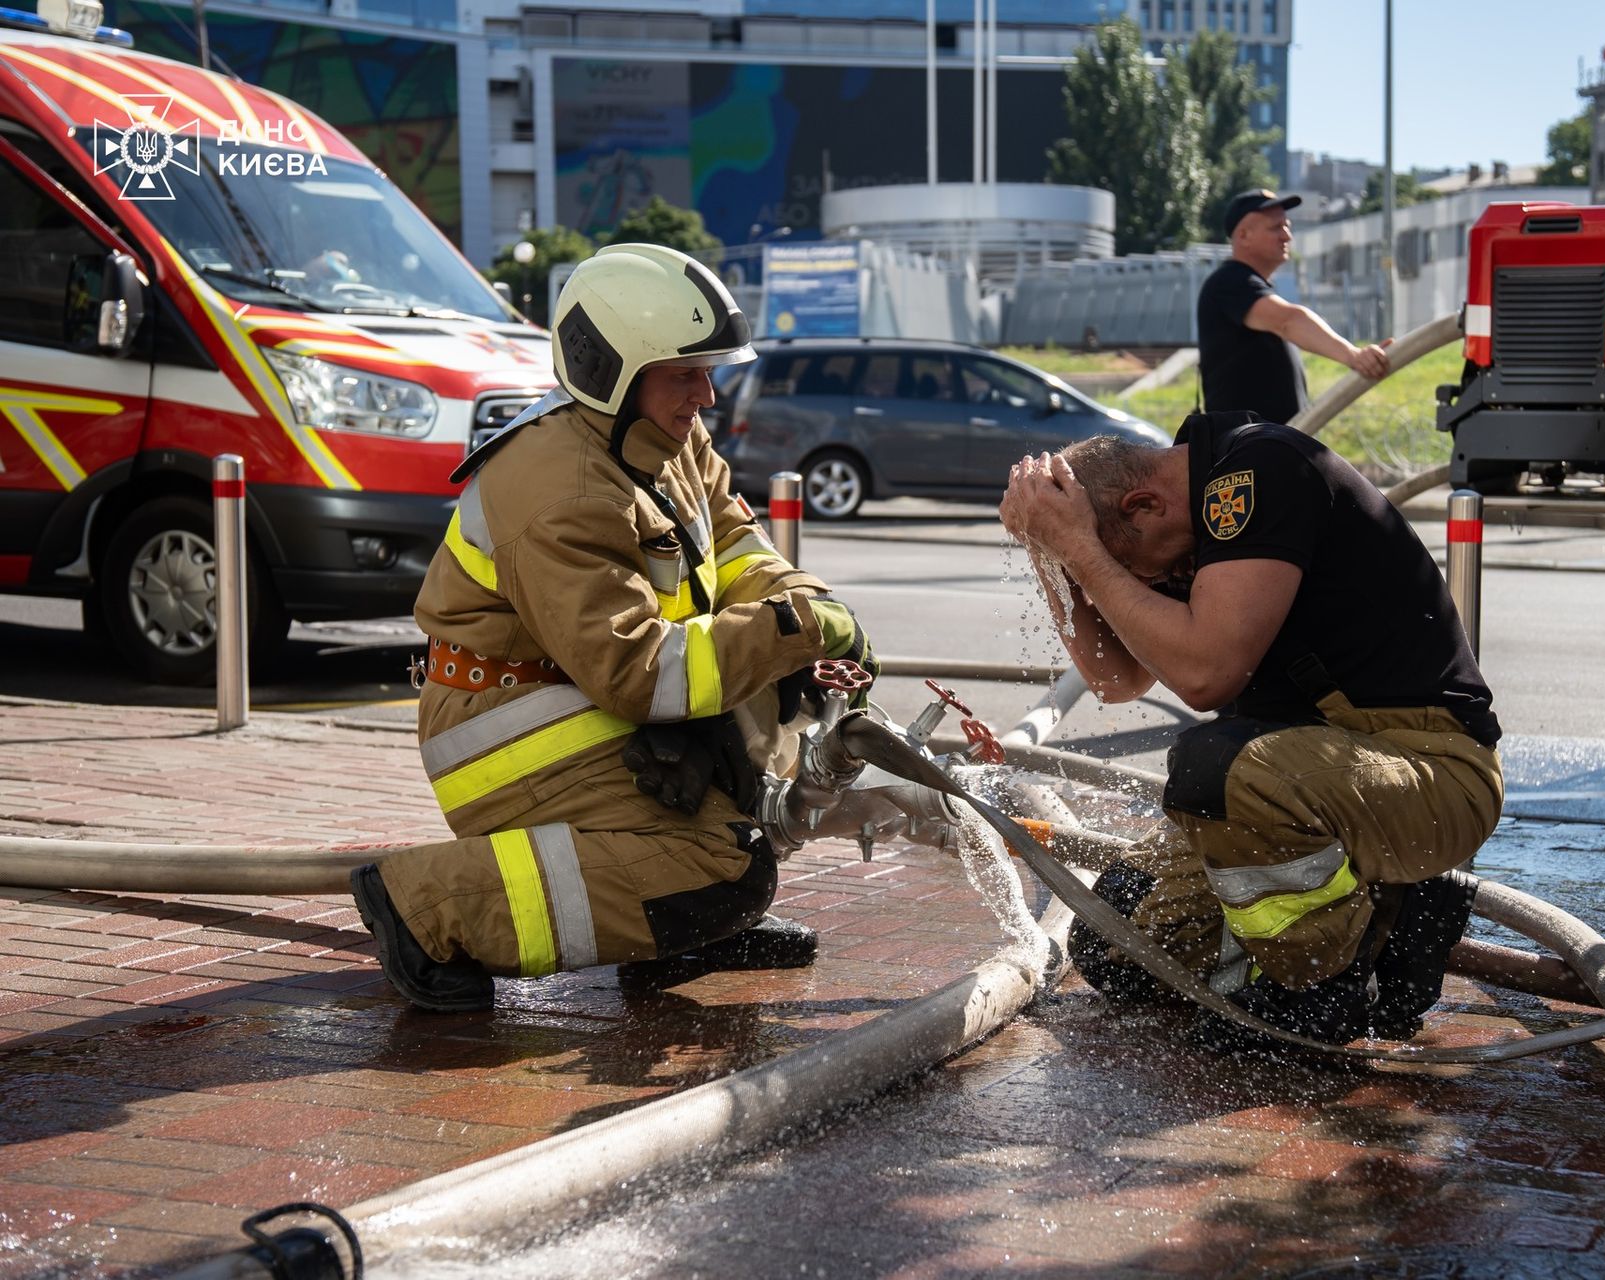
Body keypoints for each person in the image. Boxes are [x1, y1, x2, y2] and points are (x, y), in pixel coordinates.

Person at [350, 243, 877, 1013]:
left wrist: (800, 618)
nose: (707, 392)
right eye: (685, 372)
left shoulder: (664, 436)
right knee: (723, 870)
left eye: (708, 369)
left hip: (572, 695)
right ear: (613, 371)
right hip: (505, 729)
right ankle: (429, 908)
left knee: (746, 779)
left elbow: (734, 545)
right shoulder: (558, 488)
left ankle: (678, 925)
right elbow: (641, 673)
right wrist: (794, 632)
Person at [998, 411, 1503, 1047]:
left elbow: (1206, 675)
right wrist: (1048, 548)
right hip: (1316, 773)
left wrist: (1081, 549)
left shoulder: (1258, 473)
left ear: (1145, 504)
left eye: (1134, 569)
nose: (1142, 586)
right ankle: (1380, 911)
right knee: (1113, 946)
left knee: (1214, 769)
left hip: (1428, 770)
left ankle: (1324, 984)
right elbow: (1114, 678)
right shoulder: (1182, 516)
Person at [1200, 189, 1393, 428]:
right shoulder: (1230, 282)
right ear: (1243, 236)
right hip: (1250, 452)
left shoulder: (1244, 284)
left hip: (1267, 447)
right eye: (1275, 227)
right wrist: (1354, 356)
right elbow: (1289, 321)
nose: (1287, 236)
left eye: (1287, 226)